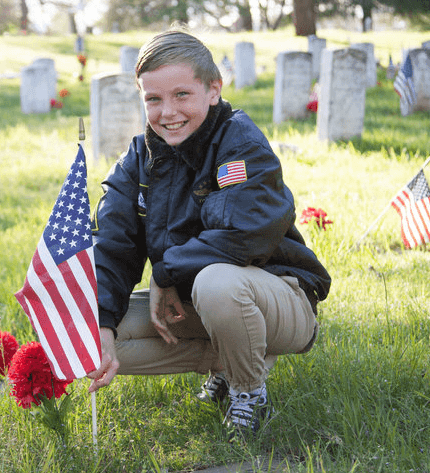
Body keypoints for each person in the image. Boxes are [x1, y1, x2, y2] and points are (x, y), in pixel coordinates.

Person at [86, 25, 331, 438]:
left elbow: (244, 234)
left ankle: (249, 392)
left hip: (280, 296)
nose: (168, 112)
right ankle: (228, 363)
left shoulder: (240, 142)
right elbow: (112, 245)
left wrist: (165, 272)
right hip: (194, 303)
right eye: (154, 99)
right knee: (90, 333)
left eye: (182, 95)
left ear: (213, 89)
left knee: (216, 283)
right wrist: (102, 322)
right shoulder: (137, 159)